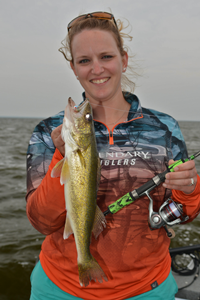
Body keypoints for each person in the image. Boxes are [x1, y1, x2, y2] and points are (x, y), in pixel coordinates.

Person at [26, 11, 200, 300]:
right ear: (73, 67)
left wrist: (190, 190)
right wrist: (62, 155)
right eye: (84, 60)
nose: (96, 69)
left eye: (106, 57)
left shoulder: (164, 127)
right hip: (59, 289)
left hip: (148, 289)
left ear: (124, 59)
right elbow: (42, 221)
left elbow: (181, 215)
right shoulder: (48, 132)